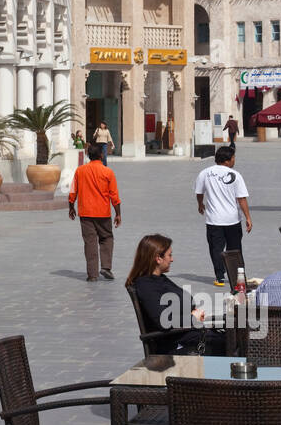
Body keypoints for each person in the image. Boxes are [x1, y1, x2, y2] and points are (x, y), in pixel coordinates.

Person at [125, 233, 227, 355]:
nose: (172, 259)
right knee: (231, 342)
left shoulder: (159, 278)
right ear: (158, 258)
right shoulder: (146, 285)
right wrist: (193, 318)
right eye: (169, 255)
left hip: (188, 333)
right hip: (175, 343)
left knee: (236, 335)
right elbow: (162, 320)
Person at [194, 146, 252, 286]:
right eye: (233, 158)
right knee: (235, 250)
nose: (234, 160)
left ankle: (219, 277)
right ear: (227, 160)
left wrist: (200, 204)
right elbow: (241, 199)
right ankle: (239, 279)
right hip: (232, 220)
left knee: (216, 249)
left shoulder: (205, 173)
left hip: (214, 220)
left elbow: (199, 192)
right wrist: (248, 218)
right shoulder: (235, 175)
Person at [67, 144, 122, 282]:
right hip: (103, 213)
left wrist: (71, 206)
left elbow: (73, 190)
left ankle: (92, 275)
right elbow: (114, 195)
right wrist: (118, 213)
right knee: (107, 238)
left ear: (88, 155)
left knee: (90, 242)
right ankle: (106, 267)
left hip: (85, 213)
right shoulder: (108, 172)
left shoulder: (80, 171)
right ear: (101, 155)